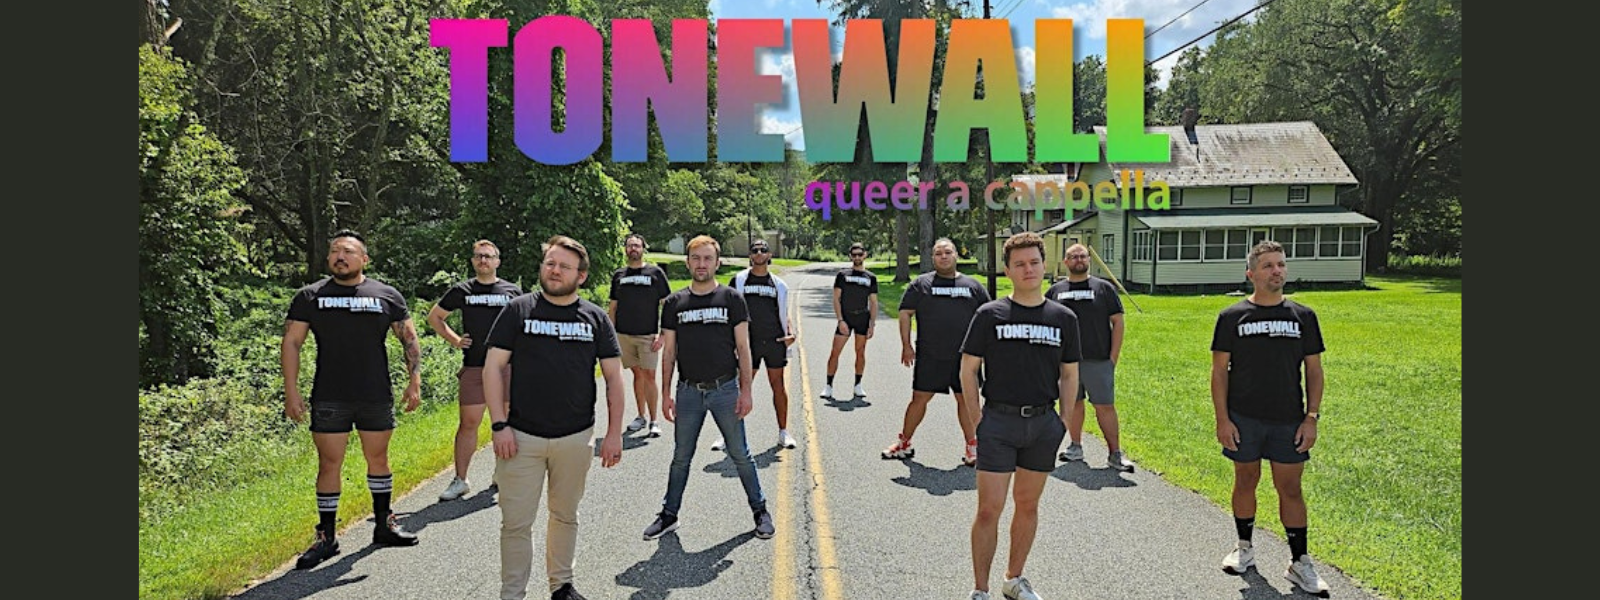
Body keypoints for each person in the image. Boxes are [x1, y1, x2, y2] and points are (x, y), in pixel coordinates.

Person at [483, 235, 626, 600]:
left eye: (564, 266)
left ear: (581, 276)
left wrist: (613, 434)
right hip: (520, 437)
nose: (555, 270)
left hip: (575, 438)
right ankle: (512, 593)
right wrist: (499, 425)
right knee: (516, 523)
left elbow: (613, 378)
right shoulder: (518, 310)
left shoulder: (595, 318)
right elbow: (493, 368)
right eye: (550, 263)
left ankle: (561, 586)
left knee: (565, 516)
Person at [282, 229, 422, 570]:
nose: (339, 257)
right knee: (329, 464)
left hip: (374, 392)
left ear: (364, 259)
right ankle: (327, 537)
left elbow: (409, 338)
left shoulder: (385, 294)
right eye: (334, 252)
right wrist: (291, 390)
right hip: (329, 394)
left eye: (347, 252)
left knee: (378, 458)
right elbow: (292, 343)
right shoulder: (309, 296)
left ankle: (382, 525)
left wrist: (414, 381)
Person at [958, 232, 1081, 600]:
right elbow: (968, 370)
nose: (1028, 269)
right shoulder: (989, 314)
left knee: (1027, 505)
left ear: (1045, 266)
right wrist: (978, 418)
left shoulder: (1063, 318)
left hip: (1043, 425)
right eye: (1020, 264)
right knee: (989, 509)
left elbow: (1070, 373)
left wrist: (1063, 420)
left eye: (1034, 262)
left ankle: (1013, 579)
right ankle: (980, 589)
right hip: (998, 422)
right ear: (1008, 270)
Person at [1212, 240, 1330, 597]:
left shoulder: (1303, 316)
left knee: (1290, 488)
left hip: (1288, 420)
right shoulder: (1232, 317)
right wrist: (1223, 420)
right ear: (1251, 273)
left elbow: (1314, 370)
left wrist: (1311, 418)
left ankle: (1299, 562)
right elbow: (1219, 372)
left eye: (1280, 264)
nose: (1276, 270)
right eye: (1268, 266)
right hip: (1244, 418)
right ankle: (1244, 548)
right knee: (1245, 480)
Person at [642, 235, 774, 542]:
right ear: (688, 262)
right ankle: (669, 514)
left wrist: (746, 391)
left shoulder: (731, 299)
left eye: (707, 258)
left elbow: (744, 348)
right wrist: (665, 394)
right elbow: (670, 352)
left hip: (725, 389)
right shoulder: (675, 303)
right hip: (688, 392)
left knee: (740, 454)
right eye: (696, 258)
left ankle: (760, 511)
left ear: (717, 262)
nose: (702, 264)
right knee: (681, 457)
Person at [427, 240, 525, 501]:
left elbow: (525, 324)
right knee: (468, 424)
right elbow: (434, 317)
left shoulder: (513, 291)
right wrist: (456, 340)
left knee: (503, 421)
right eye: (479, 256)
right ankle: (460, 480)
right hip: (474, 367)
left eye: (488, 256)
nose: (483, 260)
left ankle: (501, 475)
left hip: (505, 367)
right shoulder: (462, 290)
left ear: (497, 261)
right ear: (473, 261)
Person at [882, 238, 990, 467]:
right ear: (933, 258)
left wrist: (987, 350)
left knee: (967, 401)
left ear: (956, 255)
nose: (943, 256)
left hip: (965, 359)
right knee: (919, 399)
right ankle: (904, 442)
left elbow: (988, 318)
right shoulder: (921, 284)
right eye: (938, 253)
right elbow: (904, 313)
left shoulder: (974, 286)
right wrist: (906, 345)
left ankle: (973, 446)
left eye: (947, 252)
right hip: (930, 356)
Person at [1044, 243, 1134, 472]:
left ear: (1089, 260)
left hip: (1098, 360)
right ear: (1065, 262)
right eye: (1073, 257)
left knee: (1104, 406)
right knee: (1073, 404)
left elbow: (1118, 322)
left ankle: (1115, 453)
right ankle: (1075, 446)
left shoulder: (1103, 288)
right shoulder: (1055, 290)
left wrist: (1113, 358)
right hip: (1066, 362)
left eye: (1082, 256)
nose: (1078, 260)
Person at [716, 238, 797, 452]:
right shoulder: (740, 280)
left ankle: (783, 432)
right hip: (747, 343)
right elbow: (730, 313)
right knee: (740, 387)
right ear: (750, 256)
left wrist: (790, 333)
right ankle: (728, 435)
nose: (759, 253)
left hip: (773, 341)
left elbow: (783, 312)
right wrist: (730, 341)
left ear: (769, 256)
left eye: (763, 250)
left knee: (778, 386)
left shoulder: (779, 284)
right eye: (755, 250)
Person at [608, 233, 673, 439]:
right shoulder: (619, 275)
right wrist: (610, 334)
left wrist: (662, 334)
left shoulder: (655, 273)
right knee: (637, 374)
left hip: (648, 336)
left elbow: (668, 305)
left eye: (636, 245)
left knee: (649, 376)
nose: (633, 249)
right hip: (624, 335)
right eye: (629, 246)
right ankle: (640, 416)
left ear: (643, 248)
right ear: (626, 250)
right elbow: (613, 307)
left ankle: (654, 421)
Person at [823, 242, 878, 400]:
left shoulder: (871, 277)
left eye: (859, 254)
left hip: (862, 317)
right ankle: (828, 385)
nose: (857, 257)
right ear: (850, 256)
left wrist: (872, 324)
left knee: (860, 352)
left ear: (865, 255)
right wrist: (840, 320)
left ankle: (858, 385)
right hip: (846, 317)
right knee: (835, 352)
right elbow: (836, 298)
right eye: (854, 255)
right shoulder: (843, 275)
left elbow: (873, 302)